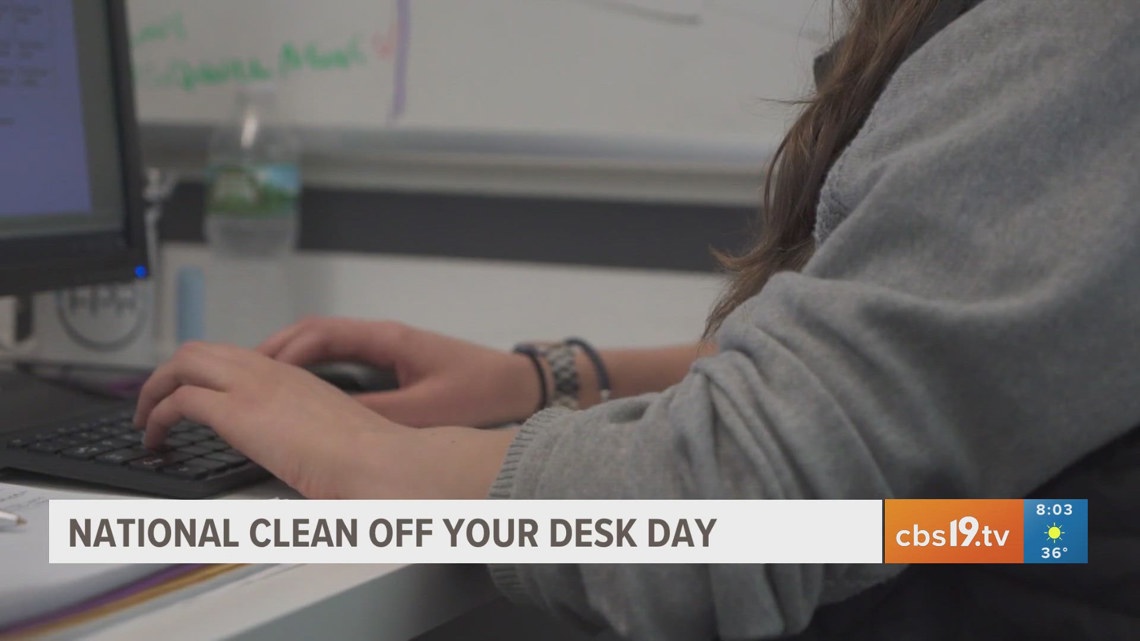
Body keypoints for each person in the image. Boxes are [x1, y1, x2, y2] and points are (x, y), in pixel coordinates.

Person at [134, 0, 1140, 638]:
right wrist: (554, 377)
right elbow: (924, 379)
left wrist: (369, 460)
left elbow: (725, 509)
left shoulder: (1076, 37)